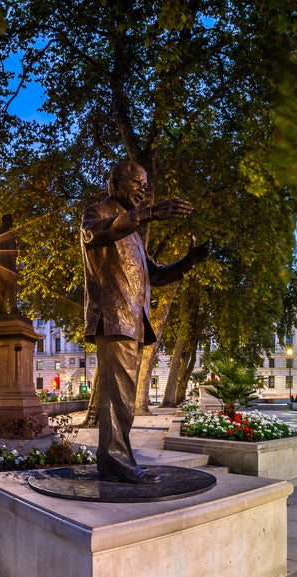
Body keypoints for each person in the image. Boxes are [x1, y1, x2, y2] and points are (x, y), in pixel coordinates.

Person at [82, 160, 209, 483]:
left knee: (123, 399)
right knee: (118, 399)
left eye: (144, 185)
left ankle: (118, 461)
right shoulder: (97, 214)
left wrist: (188, 262)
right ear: (115, 182)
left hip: (132, 322)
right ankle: (116, 462)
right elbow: (95, 234)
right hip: (113, 318)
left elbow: (156, 274)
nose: (143, 190)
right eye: (137, 183)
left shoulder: (134, 236)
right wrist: (149, 213)